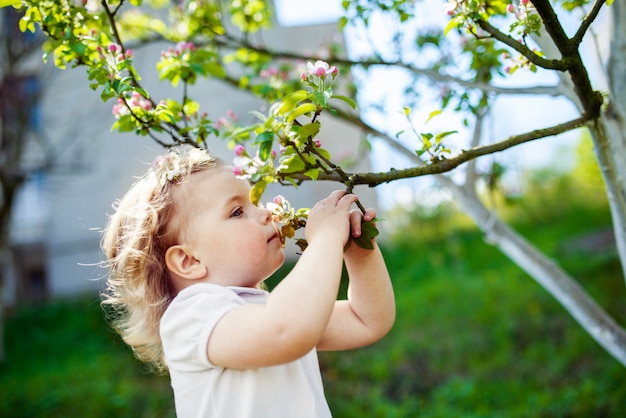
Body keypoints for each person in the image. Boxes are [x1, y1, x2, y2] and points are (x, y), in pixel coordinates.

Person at [101, 146, 395, 417]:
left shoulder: (265, 311)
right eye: (238, 211)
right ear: (189, 261)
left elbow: (366, 319)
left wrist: (359, 254)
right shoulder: (192, 317)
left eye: (255, 202)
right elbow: (286, 328)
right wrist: (326, 239)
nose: (266, 213)